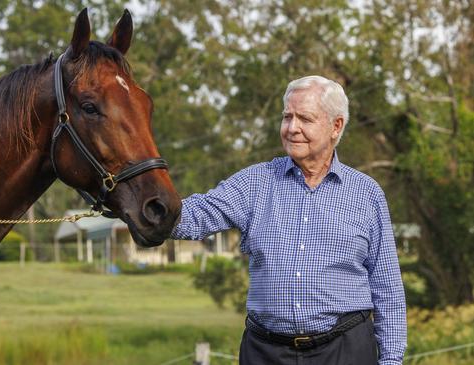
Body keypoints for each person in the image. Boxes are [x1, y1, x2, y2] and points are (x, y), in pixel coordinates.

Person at [171, 75, 406, 365]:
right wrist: (137, 202)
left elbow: (388, 290)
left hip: (345, 350)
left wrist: (392, 360)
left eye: (305, 119)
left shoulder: (366, 193)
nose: (292, 128)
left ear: (336, 126)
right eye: (287, 117)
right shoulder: (255, 182)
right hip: (266, 352)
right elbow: (195, 215)